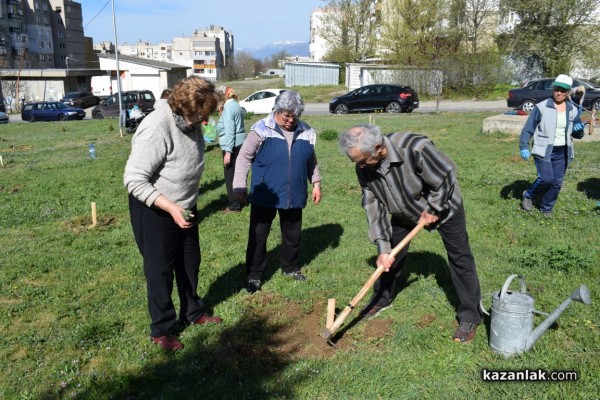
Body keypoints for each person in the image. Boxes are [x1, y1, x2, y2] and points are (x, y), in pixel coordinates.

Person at [338, 124, 482, 343]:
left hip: (444, 206)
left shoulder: (414, 147)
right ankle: (381, 298)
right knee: (389, 258)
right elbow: (372, 204)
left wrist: (433, 209)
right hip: (404, 210)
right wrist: (382, 248)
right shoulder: (364, 167)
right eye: (355, 161)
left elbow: (446, 176)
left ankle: (470, 315)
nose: (359, 166)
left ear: (378, 148)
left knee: (460, 257)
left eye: (362, 160)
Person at [123, 76, 223, 351]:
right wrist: (170, 207)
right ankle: (162, 329)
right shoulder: (157, 126)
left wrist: (184, 205)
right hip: (155, 210)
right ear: (186, 107)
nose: (205, 120)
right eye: (202, 114)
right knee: (161, 271)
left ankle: (193, 312)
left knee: (190, 262)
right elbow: (134, 180)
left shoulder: (190, 122)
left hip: (185, 206)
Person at [232, 90, 322, 293]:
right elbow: (244, 157)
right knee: (259, 235)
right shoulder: (261, 129)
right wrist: (239, 185)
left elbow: (311, 160)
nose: (291, 120)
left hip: (294, 192)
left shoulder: (306, 131)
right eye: (286, 116)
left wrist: (316, 182)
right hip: (266, 193)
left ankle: (290, 268)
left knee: (293, 234)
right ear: (276, 111)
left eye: (295, 116)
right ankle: (254, 275)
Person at [519, 74, 585, 217]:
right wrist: (524, 146)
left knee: (556, 183)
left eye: (563, 90)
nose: (559, 93)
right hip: (544, 149)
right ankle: (529, 195)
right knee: (546, 178)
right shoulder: (541, 107)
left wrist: (579, 131)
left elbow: (577, 135)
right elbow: (528, 128)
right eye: (557, 89)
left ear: (567, 92)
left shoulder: (572, 110)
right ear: (553, 89)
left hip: (563, 151)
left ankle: (547, 208)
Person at [216, 86, 246, 213]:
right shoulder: (236, 105)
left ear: (223, 97)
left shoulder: (229, 108)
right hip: (240, 144)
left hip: (232, 146)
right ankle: (241, 199)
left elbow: (229, 131)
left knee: (230, 176)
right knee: (240, 173)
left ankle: (234, 205)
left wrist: (228, 152)